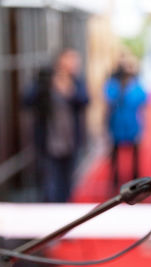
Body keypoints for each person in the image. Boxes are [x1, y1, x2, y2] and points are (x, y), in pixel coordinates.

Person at [24, 49, 89, 202]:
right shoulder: (45, 79)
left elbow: (85, 101)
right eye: (71, 60)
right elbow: (27, 100)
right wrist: (46, 86)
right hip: (48, 141)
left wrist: (70, 91)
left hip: (70, 140)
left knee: (68, 182)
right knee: (50, 184)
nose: (75, 64)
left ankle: (65, 210)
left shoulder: (77, 82)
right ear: (61, 61)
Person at [105, 54, 147, 195]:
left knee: (135, 156)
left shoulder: (136, 84)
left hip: (132, 124)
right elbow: (109, 98)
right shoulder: (113, 83)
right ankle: (115, 181)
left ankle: (135, 181)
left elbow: (142, 99)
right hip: (117, 123)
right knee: (115, 155)